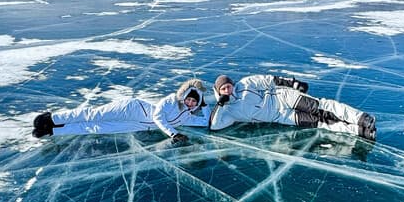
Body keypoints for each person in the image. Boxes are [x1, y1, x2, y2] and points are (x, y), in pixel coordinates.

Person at [31, 79, 210, 145]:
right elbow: (157, 117)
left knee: (97, 128)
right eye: (189, 98)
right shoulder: (171, 100)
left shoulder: (187, 114)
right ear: (184, 95)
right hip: (132, 108)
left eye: (195, 101)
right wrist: (174, 134)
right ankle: (52, 118)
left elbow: (205, 122)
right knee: (94, 115)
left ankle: (52, 130)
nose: (190, 102)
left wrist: (207, 106)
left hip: (136, 124)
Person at [209, 73, 377, 140]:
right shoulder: (228, 112)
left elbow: (269, 80)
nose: (227, 90)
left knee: (322, 108)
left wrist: (293, 84)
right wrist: (220, 105)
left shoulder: (245, 83)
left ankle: (362, 118)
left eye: (228, 86)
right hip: (282, 117)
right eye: (223, 88)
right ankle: (361, 131)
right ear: (218, 91)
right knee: (319, 122)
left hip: (285, 98)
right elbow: (215, 126)